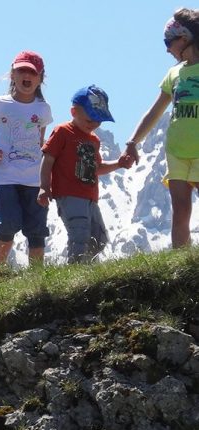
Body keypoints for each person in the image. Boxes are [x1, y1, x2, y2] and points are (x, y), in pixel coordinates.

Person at [122, 8, 199, 249]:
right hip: (176, 150)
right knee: (180, 208)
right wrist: (133, 142)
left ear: (184, 38)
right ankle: (181, 261)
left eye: (168, 42)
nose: (166, 49)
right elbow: (155, 111)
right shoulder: (173, 73)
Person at [37, 85, 133, 263]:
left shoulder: (93, 140)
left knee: (99, 238)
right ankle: (74, 273)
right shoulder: (62, 132)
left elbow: (96, 168)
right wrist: (44, 186)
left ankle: (87, 272)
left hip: (90, 196)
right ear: (74, 112)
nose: (94, 124)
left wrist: (119, 164)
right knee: (79, 234)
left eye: (98, 121)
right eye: (90, 119)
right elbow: (48, 159)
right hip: (68, 194)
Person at [0, 50, 53, 264]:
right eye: (21, 70)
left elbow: (41, 142)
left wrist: (46, 178)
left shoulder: (43, 109)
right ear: (12, 75)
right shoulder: (0, 105)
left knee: (37, 229)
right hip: (5, 176)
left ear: (40, 78)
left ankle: (37, 276)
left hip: (33, 178)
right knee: (8, 224)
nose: (26, 76)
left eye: (32, 72)